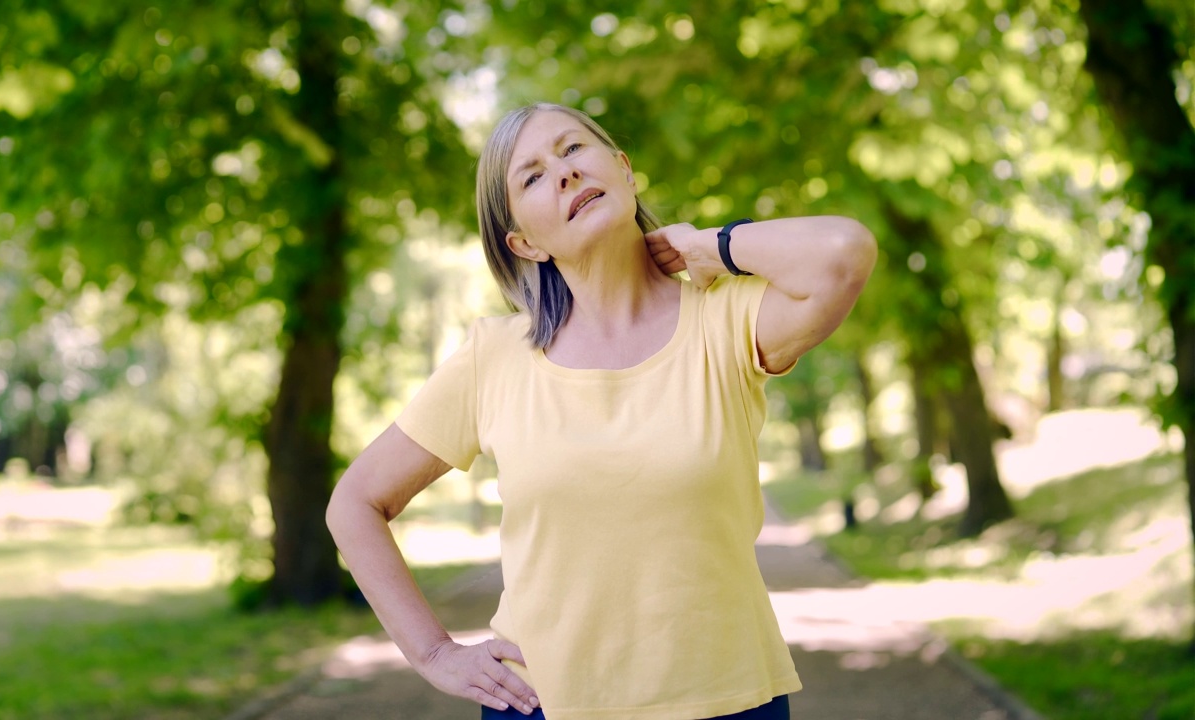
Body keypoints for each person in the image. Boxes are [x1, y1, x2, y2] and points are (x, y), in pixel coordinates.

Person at [326, 102, 877, 720]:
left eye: (573, 150)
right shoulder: (494, 356)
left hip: (729, 700)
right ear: (525, 243)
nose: (562, 172)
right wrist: (433, 654)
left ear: (623, 170)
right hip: (543, 706)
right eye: (531, 177)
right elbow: (354, 503)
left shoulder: (725, 319)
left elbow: (844, 253)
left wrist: (711, 246)